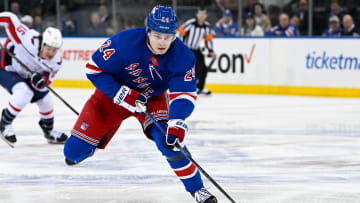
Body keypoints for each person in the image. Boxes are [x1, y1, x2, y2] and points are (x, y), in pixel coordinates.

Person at [63, 5, 217, 203]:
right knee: (72, 153)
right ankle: (95, 140)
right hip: (111, 96)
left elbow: (184, 94)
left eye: (168, 37)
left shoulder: (183, 56)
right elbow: (93, 69)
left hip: (152, 99)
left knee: (169, 143)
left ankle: (198, 189)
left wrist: (177, 121)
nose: (163, 42)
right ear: (148, 31)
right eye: (158, 35)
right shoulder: (124, 42)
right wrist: (122, 94)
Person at [0, 12, 68, 144]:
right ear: (42, 44)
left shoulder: (56, 61)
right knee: (23, 92)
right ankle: (4, 124)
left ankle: (49, 130)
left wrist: (40, 82)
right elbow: (9, 19)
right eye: (48, 49)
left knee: (46, 98)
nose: (51, 53)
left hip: (27, 74)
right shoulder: (26, 38)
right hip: (6, 67)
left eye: (55, 50)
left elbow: (46, 81)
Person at [177, 8, 216, 95]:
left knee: (204, 69)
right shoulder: (190, 23)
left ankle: (200, 87)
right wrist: (180, 48)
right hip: (187, 49)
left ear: (206, 16)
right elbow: (180, 33)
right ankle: (192, 87)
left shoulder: (206, 26)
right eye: (200, 14)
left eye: (203, 14)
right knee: (195, 68)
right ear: (197, 15)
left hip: (197, 49)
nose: (202, 16)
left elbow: (208, 39)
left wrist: (211, 50)